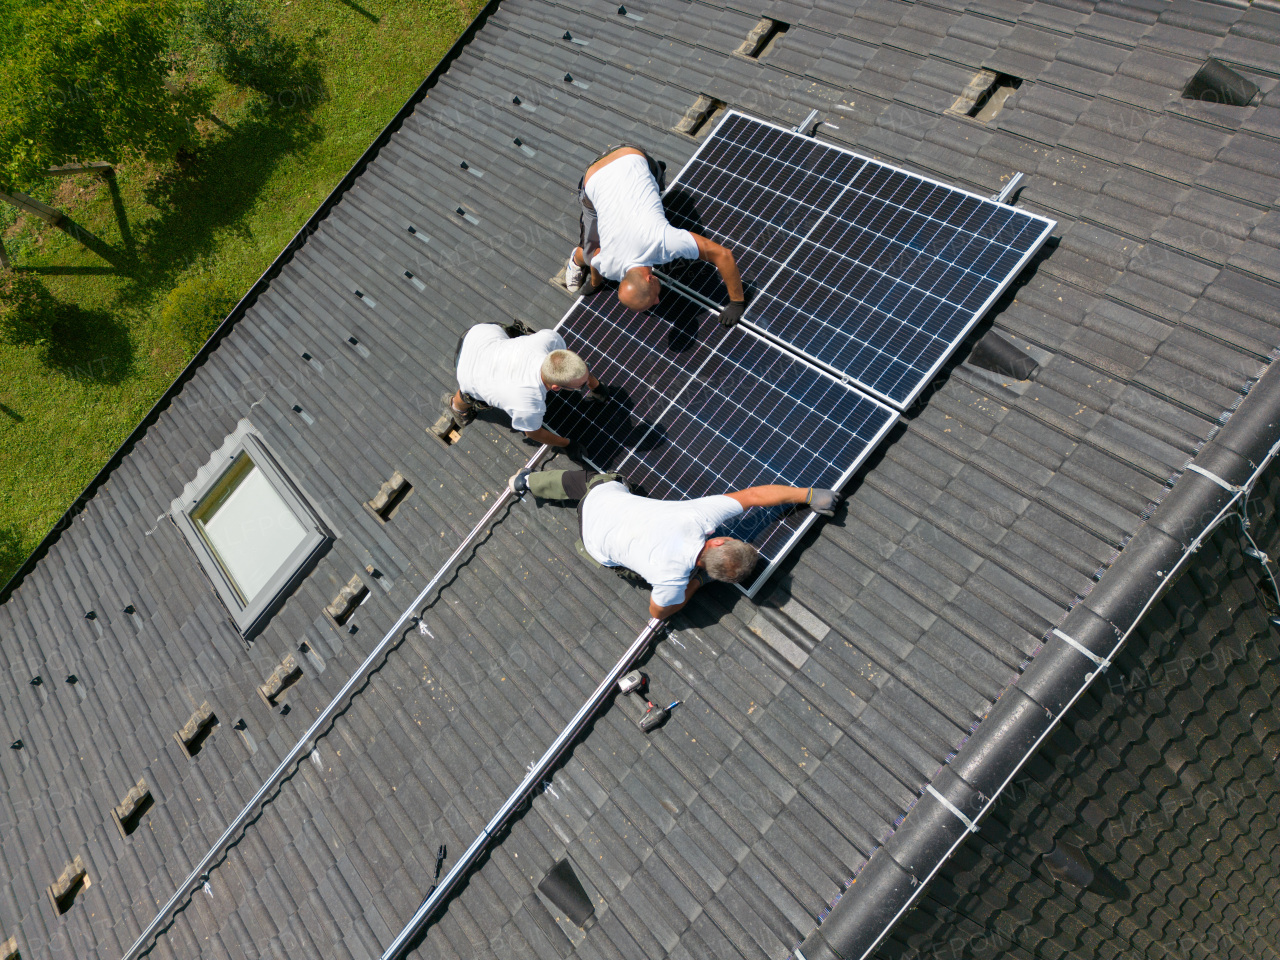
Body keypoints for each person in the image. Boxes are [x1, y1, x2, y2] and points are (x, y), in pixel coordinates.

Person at [509, 468, 840, 618]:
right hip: (591, 543)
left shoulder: (698, 518)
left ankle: (528, 481)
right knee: (635, 572)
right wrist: (693, 585)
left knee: (592, 480)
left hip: (600, 498)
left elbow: (754, 496)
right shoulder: (671, 581)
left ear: (720, 540)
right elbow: (658, 611)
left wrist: (809, 495)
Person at [564, 145, 747, 325]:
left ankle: (576, 258)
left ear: (650, 278)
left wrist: (737, 302)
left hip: (600, 173)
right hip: (627, 155)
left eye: (654, 298)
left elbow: (723, 254)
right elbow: (597, 264)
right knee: (591, 253)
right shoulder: (608, 266)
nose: (658, 301)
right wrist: (596, 283)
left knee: (587, 252)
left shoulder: (664, 241)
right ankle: (654, 173)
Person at [445, 323, 601, 448]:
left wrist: (596, 385)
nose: (585, 386)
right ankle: (456, 408)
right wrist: (567, 444)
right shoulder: (528, 404)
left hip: (481, 333)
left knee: (517, 335)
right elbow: (534, 433)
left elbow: (568, 357)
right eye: (580, 387)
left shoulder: (548, 339)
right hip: (467, 370)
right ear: (556, 387)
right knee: (469, 396)